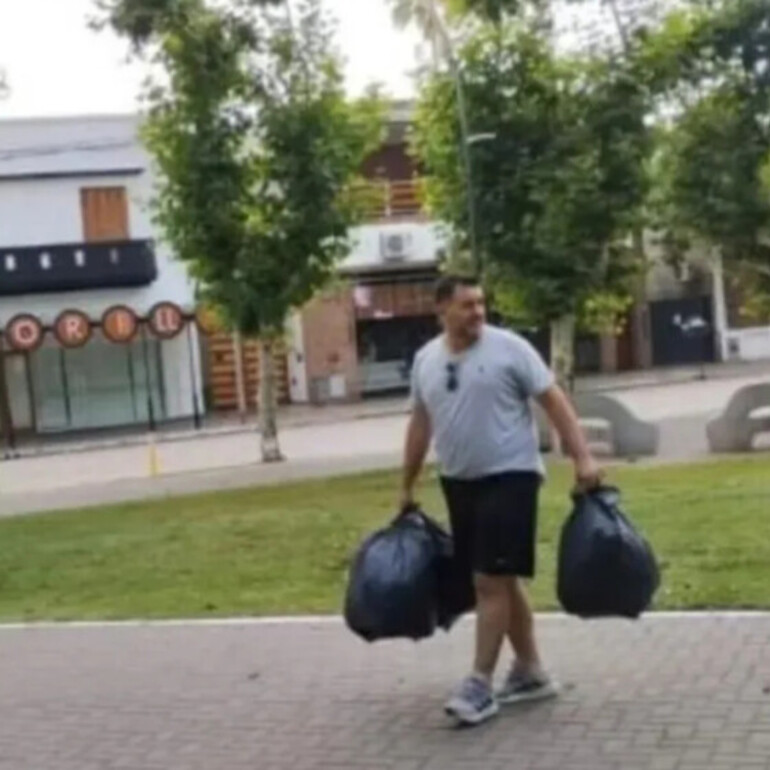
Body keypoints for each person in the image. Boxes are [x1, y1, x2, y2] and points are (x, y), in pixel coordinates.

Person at [400, 274, 603, 727]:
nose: (478, 312)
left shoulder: (510, 348)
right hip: (459, 481)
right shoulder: (426, 360)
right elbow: (420, 424)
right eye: (467, 305)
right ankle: (530, 671)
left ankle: (479, 684)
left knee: (488, 581)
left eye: (481, 303)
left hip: (511, 476)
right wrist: (406, 485)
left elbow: (554, 401)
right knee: (503, 582)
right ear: (442, 309)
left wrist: (583, 458)